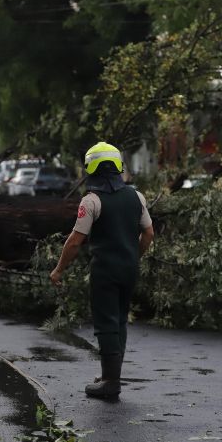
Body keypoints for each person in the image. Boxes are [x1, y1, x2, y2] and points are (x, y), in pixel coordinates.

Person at [50, 141, 154, 399]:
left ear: (91, 169)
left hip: (105, 270)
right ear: (118, 166)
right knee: (120, 320)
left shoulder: (91, 201)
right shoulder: (137, 197)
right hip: (129, 269)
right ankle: (111, 375)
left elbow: (75, 241)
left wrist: (59, 270)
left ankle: (110, 382)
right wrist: (133, 257)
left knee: (106, 322)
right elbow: (149, 233)